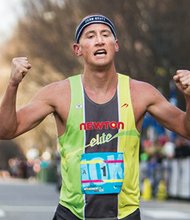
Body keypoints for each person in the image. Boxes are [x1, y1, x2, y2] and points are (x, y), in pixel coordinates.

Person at [0, 14, 190, 220]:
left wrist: (189, 97)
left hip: (124, 214)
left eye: (105, 34)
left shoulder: (141, 93)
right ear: (77, 49)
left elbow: (185, 129)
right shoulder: (58, 93)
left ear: (116, 45)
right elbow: (6, 130)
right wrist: (12, 85)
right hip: (72, 214)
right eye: (90, 36)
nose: (99, 40)